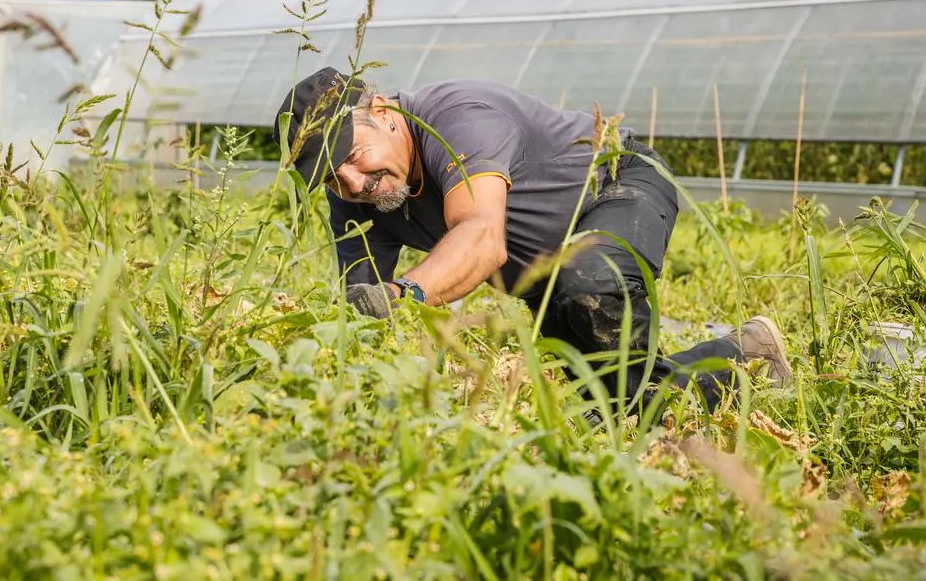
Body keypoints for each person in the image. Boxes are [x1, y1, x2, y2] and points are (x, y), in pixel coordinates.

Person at [272, 66, 793, 416]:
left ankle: (737, 365)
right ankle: (745, 356)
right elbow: (359, 307)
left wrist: (405, 294)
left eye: (355, 156)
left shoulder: (458, 118)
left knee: (587, 283)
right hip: (545, 275)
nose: (354, 184)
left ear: (384, 112)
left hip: (616, 186)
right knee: (615, 405)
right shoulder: (353, 198)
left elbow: (480, 238)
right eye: (333, 176)